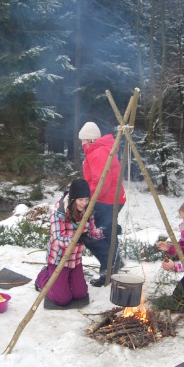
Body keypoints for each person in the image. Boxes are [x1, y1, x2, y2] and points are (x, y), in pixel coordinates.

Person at [35, 179, 105, 306]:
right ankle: (42, 277)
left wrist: (106, 231)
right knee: (62, 299)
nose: (84, 203)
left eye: (86, 199)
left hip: (75, 259)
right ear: (73, 199)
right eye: (80, 199)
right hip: (59, 259)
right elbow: (58, 238)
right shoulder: (59, 211)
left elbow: (92, 231)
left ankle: (63, 281)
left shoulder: (87, 210)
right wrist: (78, 238)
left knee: (81, 294)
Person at [78, 121, 126, 287]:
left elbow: (102, 181)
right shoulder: (102, 149)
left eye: (84, 140)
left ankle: (110, 266)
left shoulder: (98, 152)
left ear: (90, 140)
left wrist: (87, 198)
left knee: (91, 235)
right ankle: (112, 266)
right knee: (108, 234)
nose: (82, 143)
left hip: (105, 201)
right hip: (113, 198)